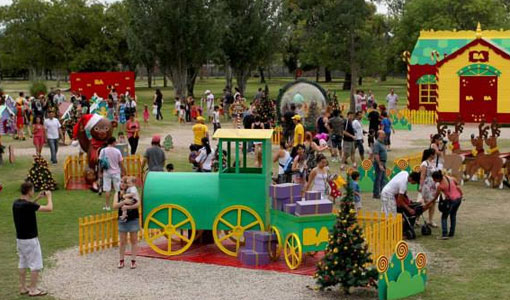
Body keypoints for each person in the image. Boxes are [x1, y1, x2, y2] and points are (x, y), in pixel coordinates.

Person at [12, 182, 53, 297]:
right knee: (36, 264)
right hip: (30, 239)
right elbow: (49, 208)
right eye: (33, 190)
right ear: (29, 191)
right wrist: (49, 197)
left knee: (23, 263)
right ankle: (33, 289)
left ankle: (23, 287)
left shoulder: (16, 203)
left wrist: (38, 198)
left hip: (20, 240)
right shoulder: (27, 205)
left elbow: (29, 206)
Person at [113, 178, 140, 269]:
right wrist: (124, 202)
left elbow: (138, 204)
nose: (122, 184)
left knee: (134, 240)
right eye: (121, 182)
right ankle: (121, 260)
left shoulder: (133, 191)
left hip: (133, 218)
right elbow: (114, 206)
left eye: (124, 182)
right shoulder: (118, 194)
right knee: (122, 241)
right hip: (122, 220)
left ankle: (133, 261)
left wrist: (128, 207)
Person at [432, 171, 463, 240]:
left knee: (444, 217)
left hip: (452, 201)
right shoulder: (450, 178)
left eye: (434, 179)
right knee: (453, 215)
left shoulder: (440, 186)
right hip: (458, 199)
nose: (433, 180)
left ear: (437, 178)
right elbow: (457, 184)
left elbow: (435, 197)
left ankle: (444, 234)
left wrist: (431, 202)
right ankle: (451, 233)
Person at [100, 137, 125, 211]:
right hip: (116, 172)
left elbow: (100, 162)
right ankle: (119, 204)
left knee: (107, 189)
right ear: (113, 142)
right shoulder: (117, 151)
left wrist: (100, 172)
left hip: (106, 172)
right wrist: (124, 171)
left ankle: (107, 205)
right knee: (118, 189)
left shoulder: (103, 150)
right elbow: (120, 162)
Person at [420, 148, 439, 227]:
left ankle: (430, 220)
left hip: (433, 185)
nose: (435, 155)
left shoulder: (432, 163)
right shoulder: (425, 163)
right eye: (434, 154)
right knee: (428, 203)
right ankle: (417, 216)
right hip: (427, 185)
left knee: (433, 203)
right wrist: (421, 186)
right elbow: (422, 175)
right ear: (431, 155)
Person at [372, 130, 387, 199]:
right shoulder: (377, 143)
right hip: (379, 162)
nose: (384, 135)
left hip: (383, 162)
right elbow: (376, 154)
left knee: (383, 178)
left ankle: (382, 192)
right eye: (383, 134)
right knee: (378, 178)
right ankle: (376, 193)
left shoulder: (382, 143)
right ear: (379, 135)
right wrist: (379, 164)